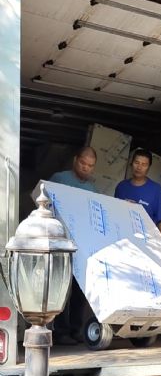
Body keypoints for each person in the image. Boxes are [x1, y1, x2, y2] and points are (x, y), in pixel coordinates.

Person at [50, 146, 98, 345]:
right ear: (75, 160)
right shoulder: (59, 179)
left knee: (80, 291)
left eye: (90, 166)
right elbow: (45, 203)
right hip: (61, 243)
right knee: (62, 289)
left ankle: (76, 330)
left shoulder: (92, 189)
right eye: (83, 163)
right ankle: (61, 332)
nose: (85, 168)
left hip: (82, 246)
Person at [114, 147, 161, 238]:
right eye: (136, 163)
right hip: (122, 237)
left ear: (149, 167)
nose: (139, 167)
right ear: (131, 163)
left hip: (146, 239)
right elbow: (115, 213)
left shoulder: (156, 190)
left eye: (144, 164)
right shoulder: (121, 187)